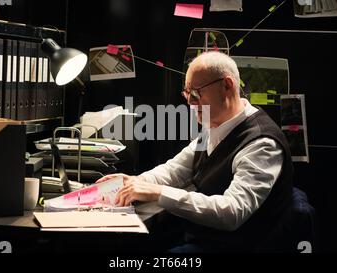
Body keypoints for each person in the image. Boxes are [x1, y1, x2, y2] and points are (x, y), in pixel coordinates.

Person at [96, 51, 293, 252]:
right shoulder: (216, 124)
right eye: (187, 93)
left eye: (196, 93)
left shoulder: (262, 144)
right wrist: (134, 183)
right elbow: (175, 169)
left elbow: (233, 212)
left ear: (227, 85)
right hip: (203, 234)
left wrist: (158, 192)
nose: (190, 102)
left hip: (235, 245)